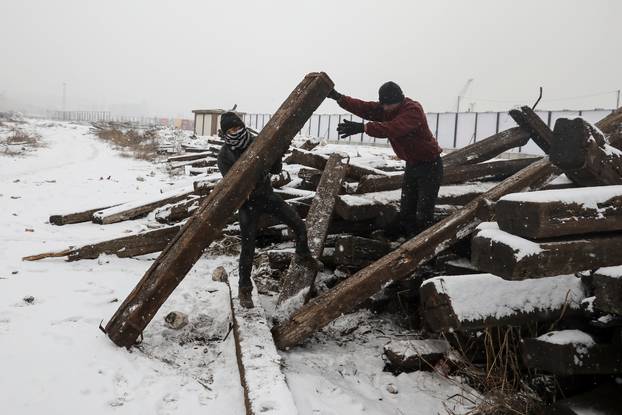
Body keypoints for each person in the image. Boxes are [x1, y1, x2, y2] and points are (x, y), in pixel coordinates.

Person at [216, 112, 314, 308]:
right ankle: (244, 291)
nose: (236, 132)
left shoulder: (257, 141)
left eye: (237, 127)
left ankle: (303, 256)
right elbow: (233, 185)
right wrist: (254, 170)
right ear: (225, 132)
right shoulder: (224, 156)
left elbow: (276, 170)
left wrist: (277, 153)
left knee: (297, 224)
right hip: (247, 203)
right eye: (231, 130)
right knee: (248, 248)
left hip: (267, 196)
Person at [328, 81, 443, 237]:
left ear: (399, 100)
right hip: (412, 165)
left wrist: (363, 128)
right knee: (407, 209)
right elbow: (364, 107)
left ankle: (424, 249)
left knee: (423, 212)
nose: (386, 108)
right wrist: (338, 97)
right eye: (384, 105)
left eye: (389, 105)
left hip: (430, 166)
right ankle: (406, 242)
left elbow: (393, 128)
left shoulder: (412, 110)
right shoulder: (386, 109)